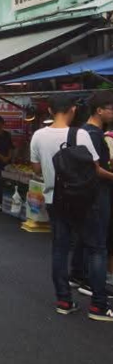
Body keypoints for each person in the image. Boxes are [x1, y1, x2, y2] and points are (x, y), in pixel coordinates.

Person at [30, 94, 113, 321]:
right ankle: (98, 306)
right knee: (96, 249)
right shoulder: (81, 134)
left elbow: (36, 169)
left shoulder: (38, 136)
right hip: (83, 201)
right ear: (73, 110)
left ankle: (64, 301)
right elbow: (95, 169)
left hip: (54, 200)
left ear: (49, 111)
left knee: (60, 249)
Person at [74, 91, 113, 299]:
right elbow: (96, 168)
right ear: (99, 110)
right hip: (98, 192)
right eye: (111, 109)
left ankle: (79, 275)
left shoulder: (83, 131)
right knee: (99, 243)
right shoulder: (95, 135)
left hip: (89, 193)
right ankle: (93, 285)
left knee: (86, 237)